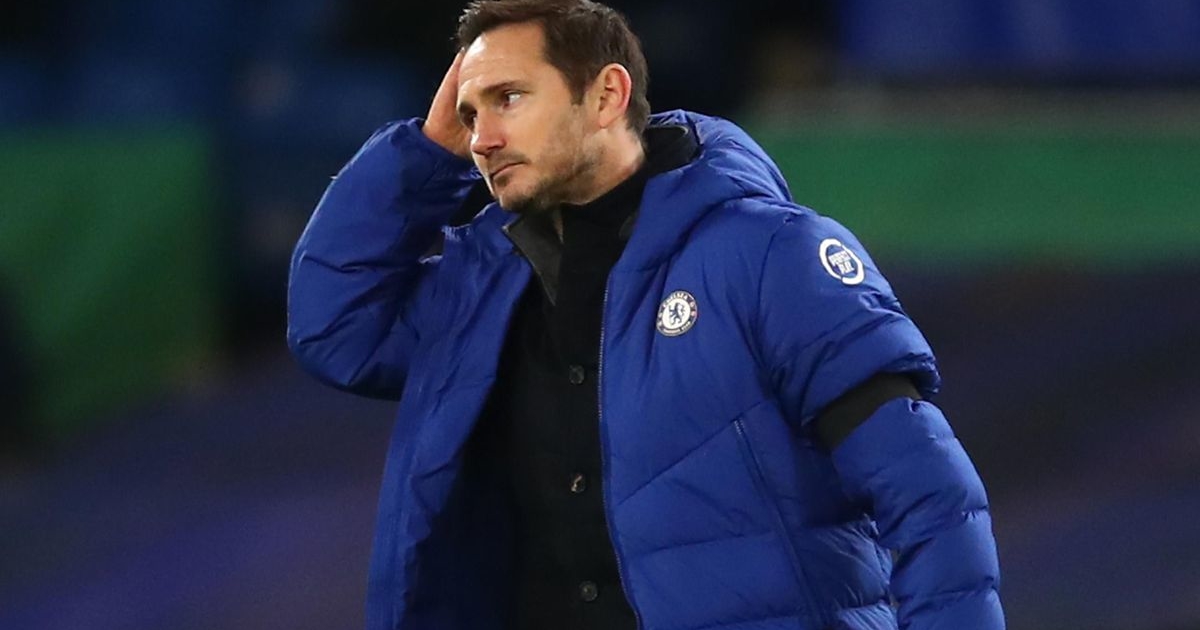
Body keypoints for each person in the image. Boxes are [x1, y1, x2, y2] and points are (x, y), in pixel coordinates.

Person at [287, 0, 1004, 628]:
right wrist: (424, 154)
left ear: (606, 95)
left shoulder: (768, 255)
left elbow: (933, 500)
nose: (481, 139)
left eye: (509, 98)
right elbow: (334, 327)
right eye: (470, 115)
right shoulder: (482, 290)